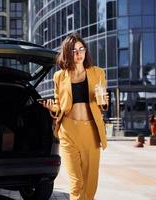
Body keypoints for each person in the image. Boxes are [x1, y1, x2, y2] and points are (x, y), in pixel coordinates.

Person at [40, 32, 109, 200]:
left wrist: (105, 102)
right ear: (67, 53)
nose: (79, 54)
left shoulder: (98, 73)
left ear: (85, 51)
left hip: (91, 131)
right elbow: (59, 105)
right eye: (74, 51)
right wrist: (51, 108)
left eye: (81, 49)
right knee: (76, 184)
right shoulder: (60, 76)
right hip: (68, 131)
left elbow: (102, 104)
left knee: (90, 184)